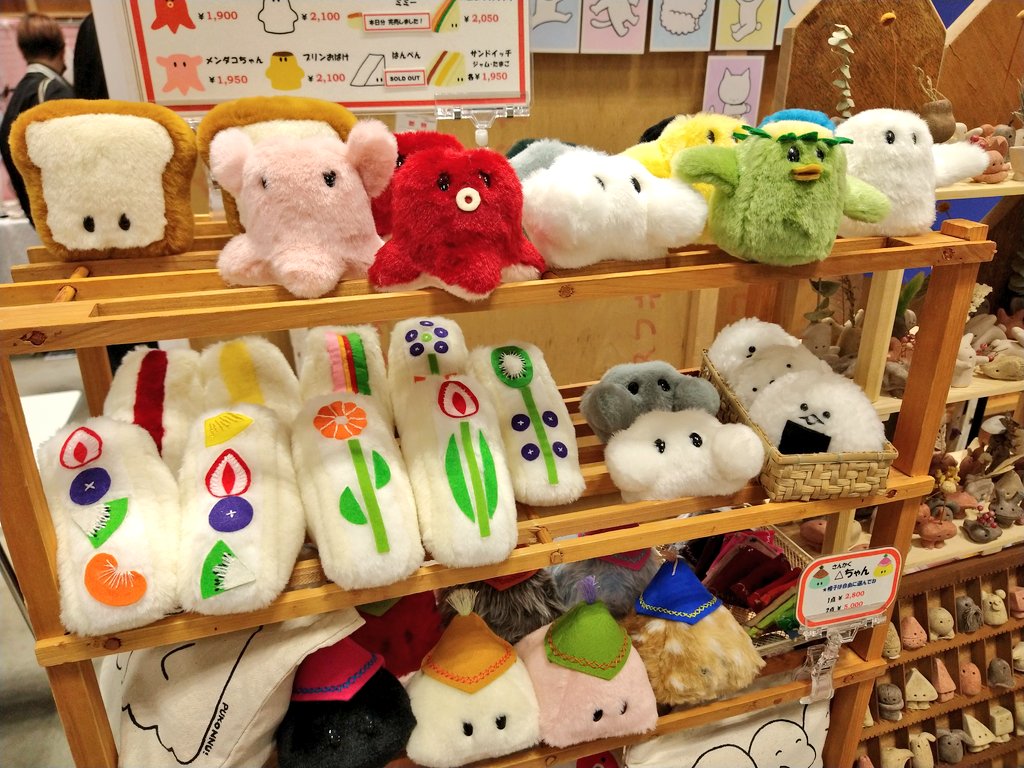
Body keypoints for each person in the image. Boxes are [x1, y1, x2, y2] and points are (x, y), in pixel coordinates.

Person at [0, 12, 74, 224]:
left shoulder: (20, 95)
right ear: (62, 47)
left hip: (41, 216)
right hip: (66, 214)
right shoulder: (52, 92)